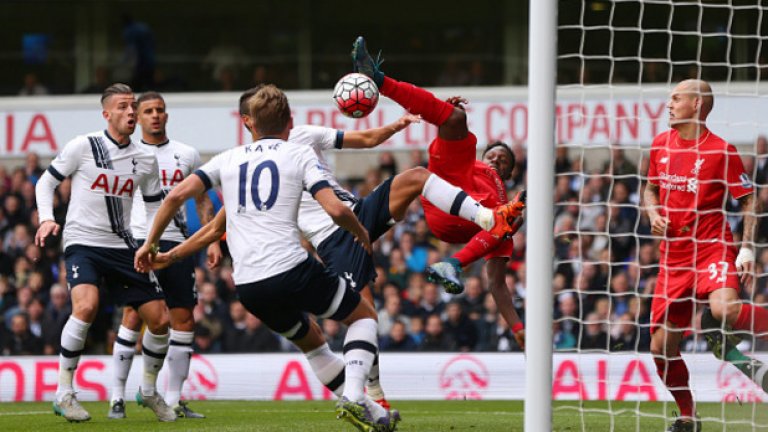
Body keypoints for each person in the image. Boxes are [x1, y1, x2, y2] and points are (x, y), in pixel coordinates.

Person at [235, 85, 522, 407]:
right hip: (334, 238)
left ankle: (486, 218)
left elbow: (366, 140)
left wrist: (397, 125)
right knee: (364, 316)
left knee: (416, 176)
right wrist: (214, 241)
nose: (286, 117)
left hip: (357, 214)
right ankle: (374, 395)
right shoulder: (246, 166)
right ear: (250, 122)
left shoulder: (304, 135)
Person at [135, 85, 400, 431]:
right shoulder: (298, 154)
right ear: (289, 121)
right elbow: (335, 208)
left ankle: (374, 414)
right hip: (291, 268)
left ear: (248, 124)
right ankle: (353, 395)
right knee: (364, 317)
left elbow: (178, 200)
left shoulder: (228, 161)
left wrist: (156, 248)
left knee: (313, 343)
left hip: (249, 286)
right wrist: (360, 232)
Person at [351, 36, 526, 343]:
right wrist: (445, 118)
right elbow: (457, 140)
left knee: (510, 219)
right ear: (483, 159)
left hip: (472, 224)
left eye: (504, 159)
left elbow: (497, 284)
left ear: (510, 172)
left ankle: (452, 265)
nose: (496, 159)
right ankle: (377, 78)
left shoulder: (507, 204)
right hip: (447, 192)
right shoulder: (475, 165)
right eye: (492, 155)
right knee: (455, 118)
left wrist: (517, 329)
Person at [34, 83, 176, 423]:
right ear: (107, 113)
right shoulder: (83, 146)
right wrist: (47, 219)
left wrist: (151, 243)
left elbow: (155, 207)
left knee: (160, 321)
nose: (131, 112)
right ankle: (64, 393)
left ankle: (149, 390)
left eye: (133, 107)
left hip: (125, 245)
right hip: (83, 242)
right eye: (124, 107)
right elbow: (46, 182)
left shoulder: (145, 159)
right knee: (86, 306)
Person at [643, 78, 765, 432]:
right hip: (673, 258)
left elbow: (750, 200)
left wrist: (746, 248)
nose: (669, 104)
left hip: (711, 247)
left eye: (676, 98)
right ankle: (687, 416)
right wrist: (653, 213)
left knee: (723, 308)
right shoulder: (659, 144)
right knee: (661, 348)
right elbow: (650, 189)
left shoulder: (721, 151)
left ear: (696, 104)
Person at [107, 91, 216, 419]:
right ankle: (117, 397)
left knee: (184, 320)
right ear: (137, 117)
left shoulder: (187, 154)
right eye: (149, 111)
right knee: (134, 315)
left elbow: (203, 200)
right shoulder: (126, 155)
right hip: (139, 241)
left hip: (178, 245)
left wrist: (212, 240)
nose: (155, 115)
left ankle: (173, 400)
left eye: (160, 110)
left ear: (166, 116)